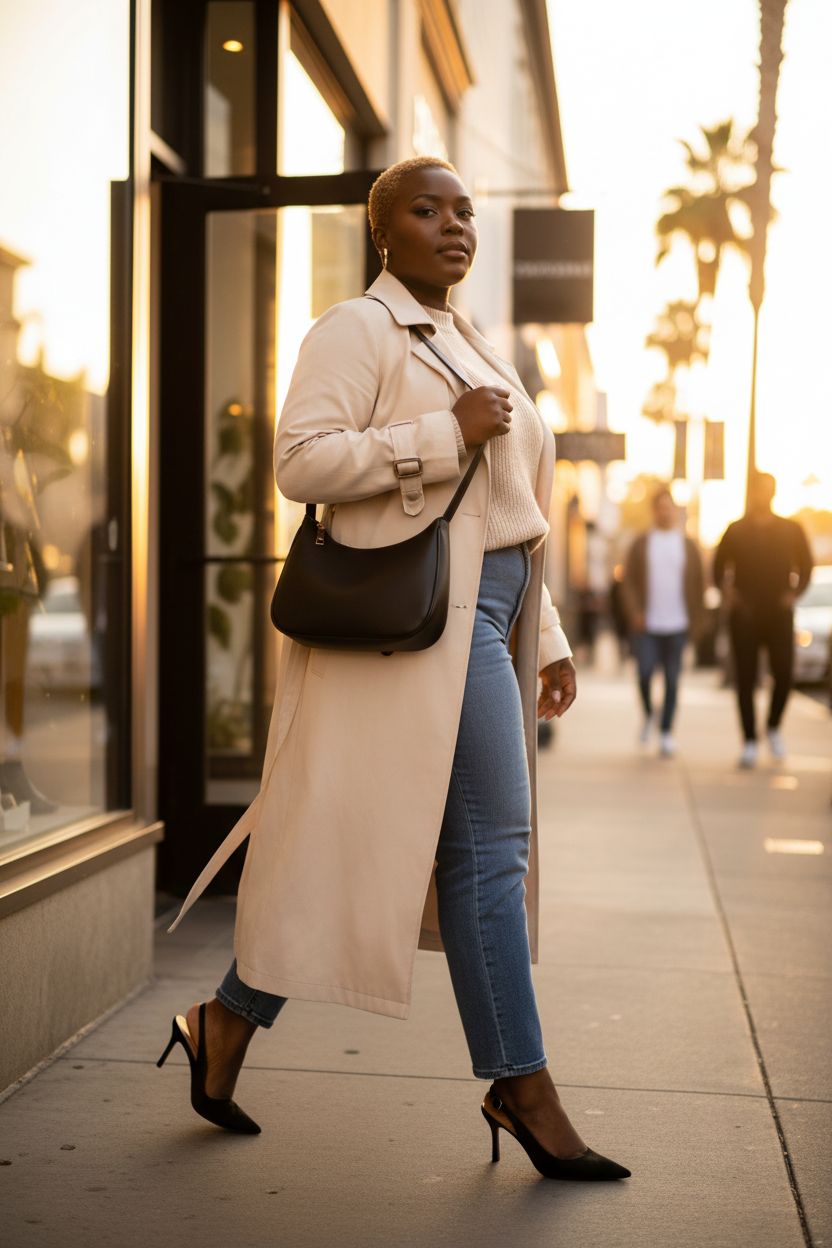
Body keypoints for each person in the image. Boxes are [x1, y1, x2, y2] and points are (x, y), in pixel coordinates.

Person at [159, 157, 630, 1182]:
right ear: (386, 234)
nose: (453, 225)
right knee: (486, 851)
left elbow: (511, 515)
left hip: (491, 621)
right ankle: (522, 1087)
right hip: (421, 627)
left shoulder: (473, 342)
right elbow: (301, 460)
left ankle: (223, 1024)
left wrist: (542, 641)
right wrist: (435, 435)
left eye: (463, 210)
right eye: (427, 210)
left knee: (363, 850)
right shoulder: (356, 329)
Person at [714, 472, 813, 768]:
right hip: (744, 615)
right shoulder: (736, 530)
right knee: (745, 679)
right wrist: (728, 593)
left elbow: (806, 566)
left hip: (779, 614)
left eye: (768, 490)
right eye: (758, 490)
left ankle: (772, 726)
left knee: (784, 673)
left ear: (774, 493)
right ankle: (749, 740)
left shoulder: (790, 529)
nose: (763, 495)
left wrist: (793, 594)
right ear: (752, 492)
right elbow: (718, 569)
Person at [621, 486, 704, 757]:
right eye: (660, 507)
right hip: (647, 624)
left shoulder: (687, 545)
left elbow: (699, 585)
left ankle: (666, 731)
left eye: (669, 507)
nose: (664, 512)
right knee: (644, 673)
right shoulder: (642, 543)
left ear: (674, 510)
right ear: (654, 510)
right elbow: (628, 582)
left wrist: (697, 623)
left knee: (672, 680)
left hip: (678, 623)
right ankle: (649, 715)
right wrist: (635, 612)